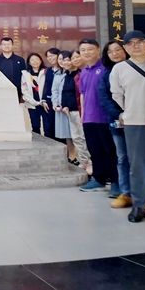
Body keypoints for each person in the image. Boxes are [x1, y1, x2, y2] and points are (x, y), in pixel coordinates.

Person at [111, 31, 145, 223]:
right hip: (135, 122)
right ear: (125, 48)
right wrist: (129, 110)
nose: (135, 45)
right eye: (130, 43)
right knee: (137, 166)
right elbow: (116, 94)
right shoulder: (119, 68)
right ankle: (139, 205)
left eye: (140, 41)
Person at [78, 39, 118, 193]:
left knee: (110, 151)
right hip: (89, 119)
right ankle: (98, 179)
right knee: (95, 151)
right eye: (83, 50)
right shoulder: (84, 71)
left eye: (90, 49)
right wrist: (83, 115)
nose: (86, 52)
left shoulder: (106, 69)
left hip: (104, 118)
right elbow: (82, 94)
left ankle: (115, 182)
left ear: (98, 50)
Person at [97, 40, 131, 205]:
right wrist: (119, 114)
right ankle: (125, 192)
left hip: (139, 121)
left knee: (143, 159)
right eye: (110, 52)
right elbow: (105, 99)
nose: (115, 54)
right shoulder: (106, 75)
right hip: (117, 122)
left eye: (118, 50)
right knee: (122, 157)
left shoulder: (134, 69)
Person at [52, 51, 90, 169]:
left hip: (80, 111)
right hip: (70, 111)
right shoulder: (67, 75)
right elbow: (64, 93)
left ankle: (90, 162)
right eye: (64, 60)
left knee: (84, 137)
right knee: (76, 138)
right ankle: (83, 161)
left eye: (69, 60)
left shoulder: (80, 74)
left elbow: (81, 94)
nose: (66, 62)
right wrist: (64, 106)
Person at [21, 52, 53, 138]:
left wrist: (44, 101)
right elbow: (24, 90)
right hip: (32, 104)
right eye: (32, 60)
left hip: (45, 104)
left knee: (47, 127)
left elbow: (48, 87)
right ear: (29, 62)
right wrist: (34, 102)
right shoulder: (25, 74)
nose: (35, 61)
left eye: (37, 59)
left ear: (41, 61)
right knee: (35, 126)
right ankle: (38, 144)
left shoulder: (46, 72)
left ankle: (48, 144)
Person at [0, 37, 26, 102]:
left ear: (12, 46)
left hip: (16, 91)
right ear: (0, 46)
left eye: (8, 44)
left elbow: (23, 77)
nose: (6, 46)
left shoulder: (20, 60)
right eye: (4, 44)